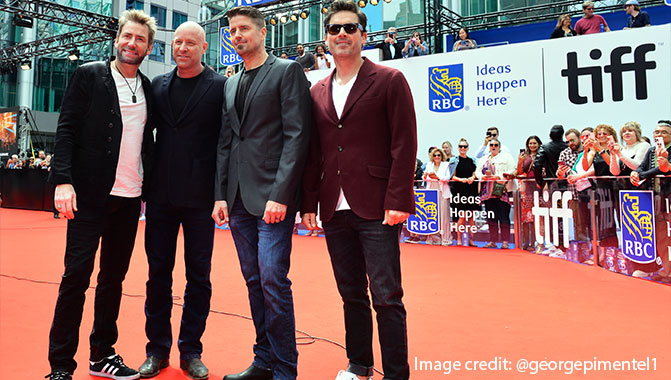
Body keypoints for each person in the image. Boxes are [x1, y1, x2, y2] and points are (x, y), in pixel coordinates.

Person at [301, 2, 417, 379]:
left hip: (378, 207)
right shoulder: (316, 90)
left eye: (350, 28)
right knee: (351, 292)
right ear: (326, 38)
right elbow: (314, 152)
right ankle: (359, 365)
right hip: (334, 206)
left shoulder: (389, 79)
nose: (342, 34)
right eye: (335, 29)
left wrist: (398, 199)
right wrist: (308, 204)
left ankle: (397, 372)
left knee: (386, 296)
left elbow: (404, 144)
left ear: (364, 36)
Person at [46, 9, 156, 380]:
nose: (132, 43)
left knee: (113, 280)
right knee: (75, 277)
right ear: (117, 39)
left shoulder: (149, 88)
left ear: (148, 47)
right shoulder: (89, 75)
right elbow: (66, 130)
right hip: (89, 197)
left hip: (129, 198)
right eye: (128, 36)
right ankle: (61, 365)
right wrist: (63, 180)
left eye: (140, 39)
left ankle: (102, 355)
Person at [212, 6, 312, 380]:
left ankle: (286, 369)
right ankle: (263, 359)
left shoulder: (287, 72)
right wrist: (220, 195)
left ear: (263, 32)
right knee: (254, 281)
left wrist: (282, 194)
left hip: (272, 197)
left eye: (243, 29)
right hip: (237, 200)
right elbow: (226, 142)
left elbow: (297, 135)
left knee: (272, 279)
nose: (237, 36)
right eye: (232, 31)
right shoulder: (231, 81)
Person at [139, 21, 226, 380]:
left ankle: (191, 350)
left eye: (191, 43)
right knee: (157, 275)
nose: (183, 48)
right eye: (177, 42)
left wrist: (221, 194)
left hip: (201, 199)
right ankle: (156, 351)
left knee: (198, 278)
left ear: (204, 47)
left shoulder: (221, 86)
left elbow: (225, 144)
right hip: (160, 196)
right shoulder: (158, 86)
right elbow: (145, 134)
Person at [630, 120, 671, 283]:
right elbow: (642, 166)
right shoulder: (652, 150)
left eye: (663, 132)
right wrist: (636, 173)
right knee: (661, 235)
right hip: (657, 198)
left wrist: (643, 174)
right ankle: (667, 270)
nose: (658, 135)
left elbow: (664, 168)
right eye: (656, 132)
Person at [475, 138, 516, 249]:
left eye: (496, 145)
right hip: (487, 193)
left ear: (499, 146)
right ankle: (492, 241)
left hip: (502, 191)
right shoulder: (483, 159)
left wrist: (500, 176)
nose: (493, 146)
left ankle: (505, 242)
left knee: (504, 217)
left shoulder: (507, 157)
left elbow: (512, 170)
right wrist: (482, 176)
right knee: (491, 218)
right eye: (491, 145)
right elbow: (477, 172)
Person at [556, 128, 588, 242]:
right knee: (578, 223)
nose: (570, 143)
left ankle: (595, 250)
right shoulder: (565, 153)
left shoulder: (588, 150)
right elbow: (559, 175)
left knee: (592, 223)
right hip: (574, 194)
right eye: (568, 141)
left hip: (591, 193)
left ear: (579, 138)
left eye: (572, 140)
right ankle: (582, 249)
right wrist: (561, 173)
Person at [449, 138, 478, 246]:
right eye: (461, 146)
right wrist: (460, 179)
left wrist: (472, 177)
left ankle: (471, 240)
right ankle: (459, 239)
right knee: (462, 216)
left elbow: (475, 173)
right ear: (458, 148)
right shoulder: (454, 161)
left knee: (471, 216)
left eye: (465, 146)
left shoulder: (472, 160)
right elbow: (452, 176)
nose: (463, 148)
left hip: (471, 190)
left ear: (468, 148)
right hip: (459, 190)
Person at [517, 135, 542, 252]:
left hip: (538, 189)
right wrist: (520, 161)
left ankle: (536, 242)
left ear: (539, 144)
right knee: (526, 219)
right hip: (526, 190)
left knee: (537, 218)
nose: (532, 145)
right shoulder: (525, 157)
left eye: (534, 143)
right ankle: (526, 242)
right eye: (530, 143)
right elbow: (520, 172)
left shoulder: (542, 155)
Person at [423, 148, 452, 245]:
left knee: (444, 215)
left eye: (439, 155)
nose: (437, 157)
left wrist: (438, 177)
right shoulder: (429, 165)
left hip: (442, 192)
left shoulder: (446, 165)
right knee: (432, 215)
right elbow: (425, 178)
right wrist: (426, 175)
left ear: (442, 156)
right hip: (431, 191)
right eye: (435, 155)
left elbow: (447, 177)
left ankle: (445, 238)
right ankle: (434, 238)